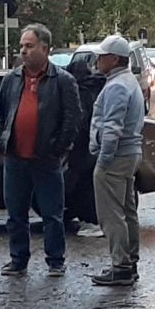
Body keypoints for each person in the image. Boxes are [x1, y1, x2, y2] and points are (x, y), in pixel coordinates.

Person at [0, 24, 80, 279]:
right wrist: (1, 140)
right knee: (15, 214)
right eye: (22, 46)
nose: (23, 51)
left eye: (29, 46)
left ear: (44, 48)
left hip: (46, 159)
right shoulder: (12, 79)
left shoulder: (62, 80)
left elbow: (72, 118)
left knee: (52, 214)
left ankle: (55, 261)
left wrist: (58, 148)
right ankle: (18, 259)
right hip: (15, 158)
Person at [89, 34, 145, 286]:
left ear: (113, 59)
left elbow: (112, 128)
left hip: (116, 157)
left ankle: (120, 265)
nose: (98, 60)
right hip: (130, 154)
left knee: (111, 213)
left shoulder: (116, 87)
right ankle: (129, 261)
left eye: (102, 56)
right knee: (126, 209)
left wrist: (103, 160)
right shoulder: (128, 82)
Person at [64, 55, 105, 237]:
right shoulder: (97, 88)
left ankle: (91, 221)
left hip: (83, 148)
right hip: (95, 145)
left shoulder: (81, 92)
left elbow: (79, 121)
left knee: (82, 187)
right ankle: (90, 220)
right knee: (89, 186)